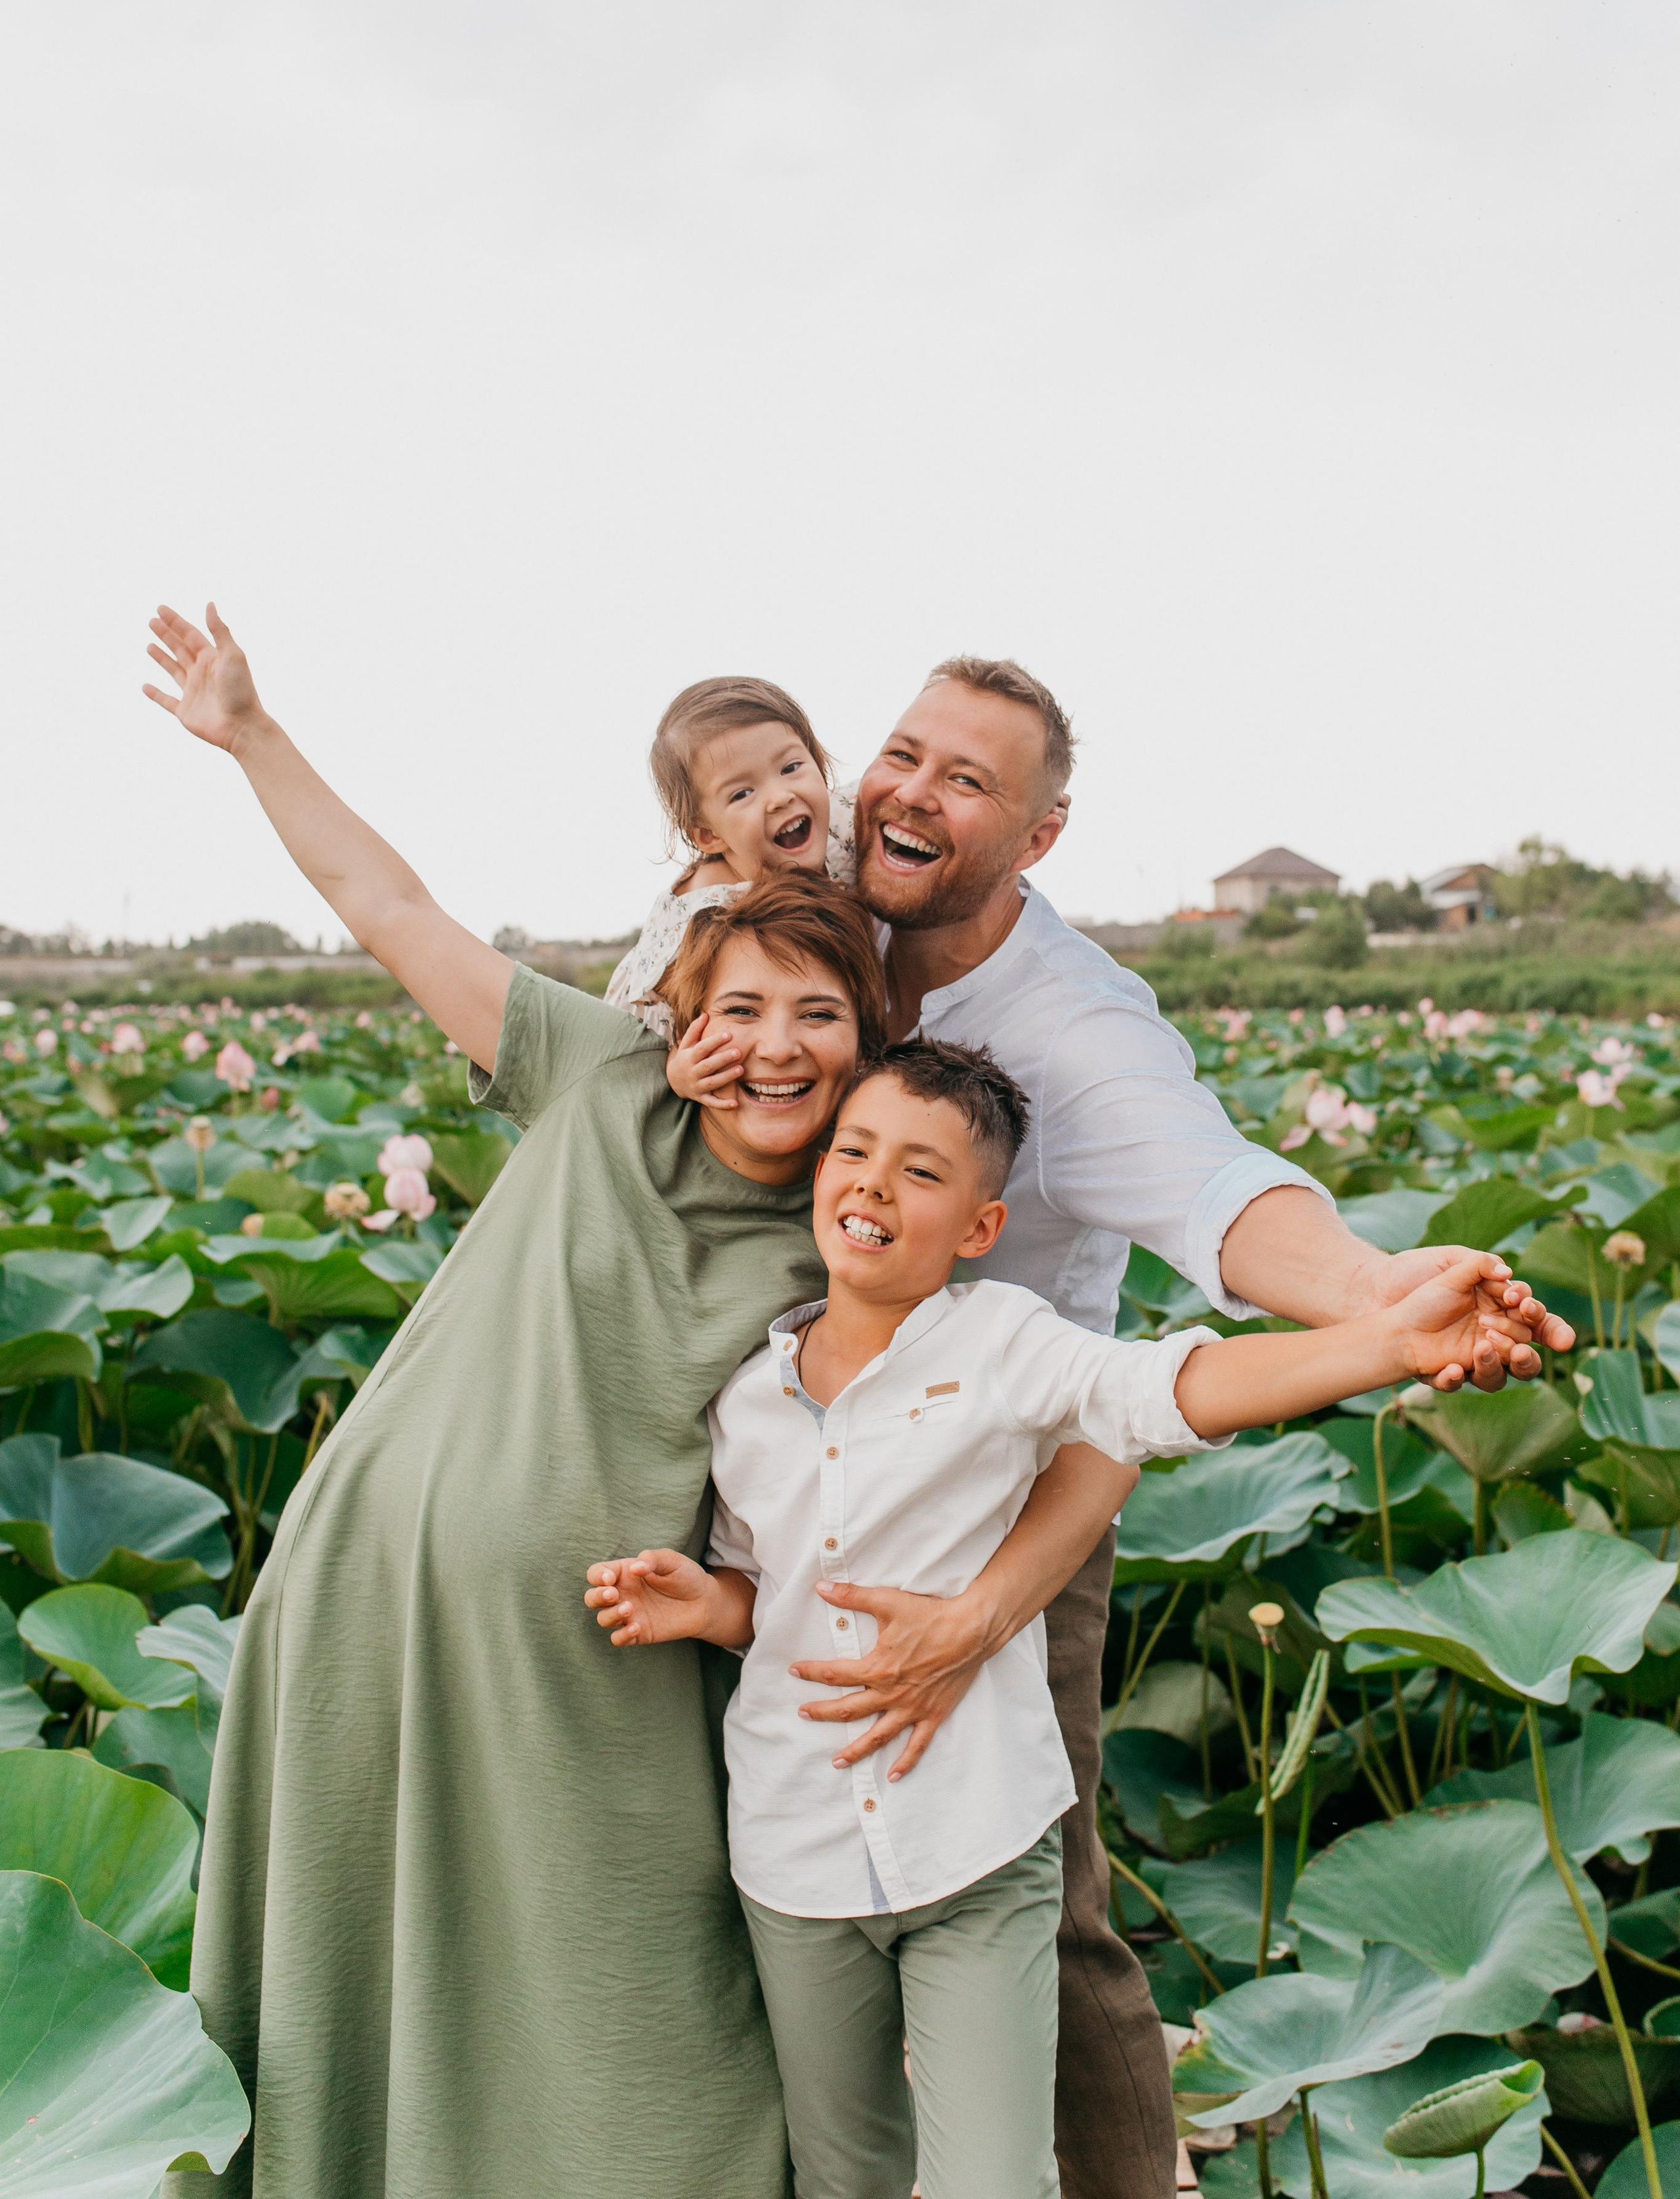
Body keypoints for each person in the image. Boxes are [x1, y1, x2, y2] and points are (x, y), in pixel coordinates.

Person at [140, 606, 1132, 2199]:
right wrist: (252, 730)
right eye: (733, 1008)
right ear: (681, 1012)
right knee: (398, 1972)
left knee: (662, 2001)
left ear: (872, 1046)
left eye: (817, 1016)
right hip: (374, 1589)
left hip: (609, 1635)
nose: (768, 1048)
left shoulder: (848, 1224)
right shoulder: (596, 1068)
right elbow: (382, 903)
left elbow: (995, 1420)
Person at [776, 654, 1576, 2199]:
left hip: (997, 1503)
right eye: (901, 753)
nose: (910, 793)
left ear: (1041, 832)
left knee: (1035, 1903)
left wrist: (1366, 1291)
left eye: (966, 781)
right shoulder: (815, 915)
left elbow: (1209, 1190)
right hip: (777, 1460)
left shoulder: (1072, 1023)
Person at [582, 1042, 1549, 2199]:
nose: (875, 1186)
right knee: (848, 2179)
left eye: (922, 1173)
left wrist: (1382, 1344)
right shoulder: (746, 1394)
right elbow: (764, 1589)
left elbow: (1165, 1394)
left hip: (978, 1840)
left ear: (980, 1228)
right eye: (855, 1151)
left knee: (996, 2184)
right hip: (794, 1852)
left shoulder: (1001, 1342)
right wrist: (708, 1606)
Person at [605, 675, 855, 1044]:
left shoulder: (836, 824)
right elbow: (661, 1040)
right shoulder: (709, 918)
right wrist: (679, 1072)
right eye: (742, 794)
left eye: (790, 768)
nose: (780, 796)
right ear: (709, 835)